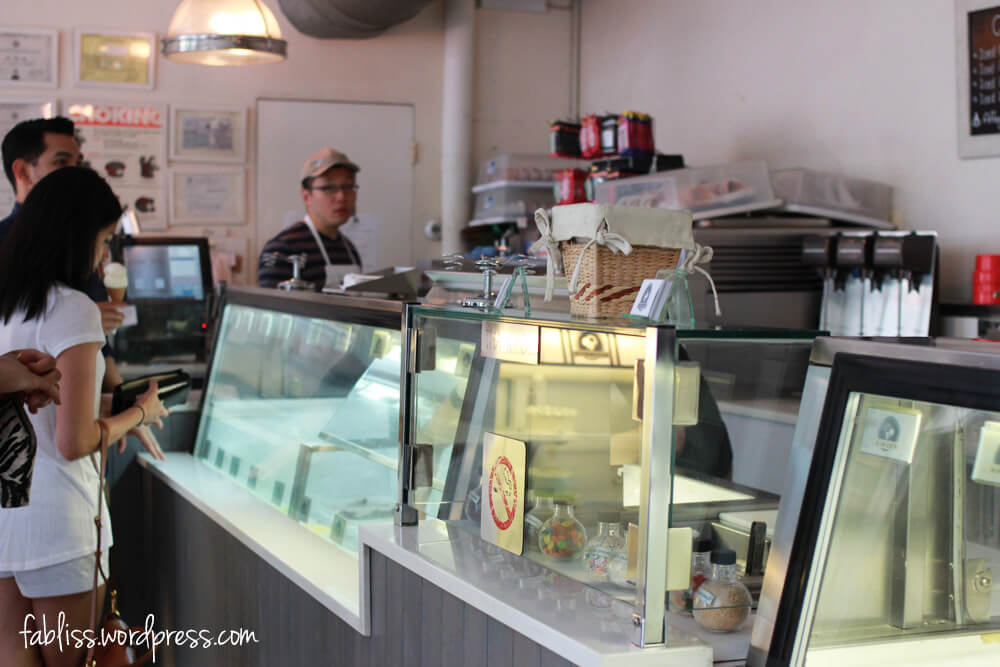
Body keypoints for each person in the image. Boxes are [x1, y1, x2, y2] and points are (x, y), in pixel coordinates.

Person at [0, 167, 168, 667]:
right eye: (103, 241)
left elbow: (43, 410)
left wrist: (111, 411)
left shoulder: (7, 305)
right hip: (59, 524)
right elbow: (73, 442)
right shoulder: (74, 310)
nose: (104, 257)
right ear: (78, 239)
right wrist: (139, 410)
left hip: (7, 516)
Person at [0, 117, 127, 392]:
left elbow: (99, 348)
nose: (74, 172)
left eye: (77, 163)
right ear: (22, 171)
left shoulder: (82, 242)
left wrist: (120, 398)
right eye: (61, 162)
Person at [257, 148, 363, 290]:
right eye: (329, 188)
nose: (341, 197)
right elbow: (269, 310)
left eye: (348, 187)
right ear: (306, 196)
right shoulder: (281, 249)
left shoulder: (349, 249)